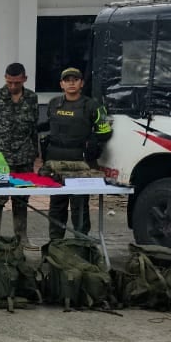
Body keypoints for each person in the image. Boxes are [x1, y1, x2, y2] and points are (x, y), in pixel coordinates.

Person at [43, 67, 112, 241]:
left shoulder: (93, 105)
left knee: (79, 205)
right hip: (56, 161)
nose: (71, 83)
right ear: (61, 84)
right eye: (67, 80)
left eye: (75, 79)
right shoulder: (53, 103)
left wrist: (93, 143)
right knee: (57, 205)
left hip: (80, 163)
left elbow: (105, 131)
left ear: (81, 83)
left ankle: (81, 244)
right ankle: (55, 245)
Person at [0, 63, 41, 246]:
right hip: (1, 156)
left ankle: (21, 236)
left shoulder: (31, 98)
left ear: (24, 79)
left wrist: (37, 154)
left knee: (22, 197)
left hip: (24, 155)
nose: (13, 86)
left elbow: (33, 127)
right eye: (9, 82)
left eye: (16, 82)